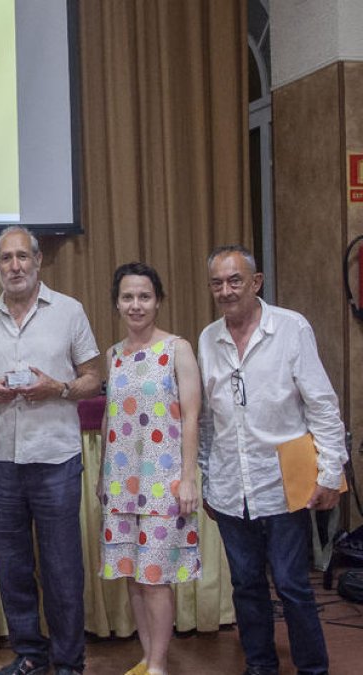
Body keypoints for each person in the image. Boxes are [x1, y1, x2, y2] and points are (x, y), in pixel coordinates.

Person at [198, 245, 345, 675]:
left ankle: (312, 669)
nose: (226, 290)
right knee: (245, 586)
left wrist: (330, 472)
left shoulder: (291, 328)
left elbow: (322, 405)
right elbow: (208, 420)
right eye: (218, 283)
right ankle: (260, 666)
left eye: (235, 280)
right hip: (229, 485)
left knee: (292, 585)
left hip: (285, 482)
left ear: (256, 282)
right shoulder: (209, 339)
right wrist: (207, 476)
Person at [0, 226, 102, 675]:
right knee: (12, 568)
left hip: (55, 459)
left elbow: (93, 377)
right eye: (5, 259)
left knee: (63, 569)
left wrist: (58, 387)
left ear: (39, 261)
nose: (15, 266)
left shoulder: (69, 311)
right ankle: (29, 653)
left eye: (22, 256)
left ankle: (68, 661)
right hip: (1, 462)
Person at [99, 263, 201, 675]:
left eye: (144, 296)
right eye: (127, 297)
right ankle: (147, 658)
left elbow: (192, 417)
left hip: (164, 481)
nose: (135, 305)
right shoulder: (113, 355)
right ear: (117, 303)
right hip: (122, 482)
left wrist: (189, 478)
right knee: (133, 576)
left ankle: (158, 664)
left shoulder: (178, 348)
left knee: (157, 577)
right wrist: (103, 477)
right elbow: (109, 417)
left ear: (158, 300)